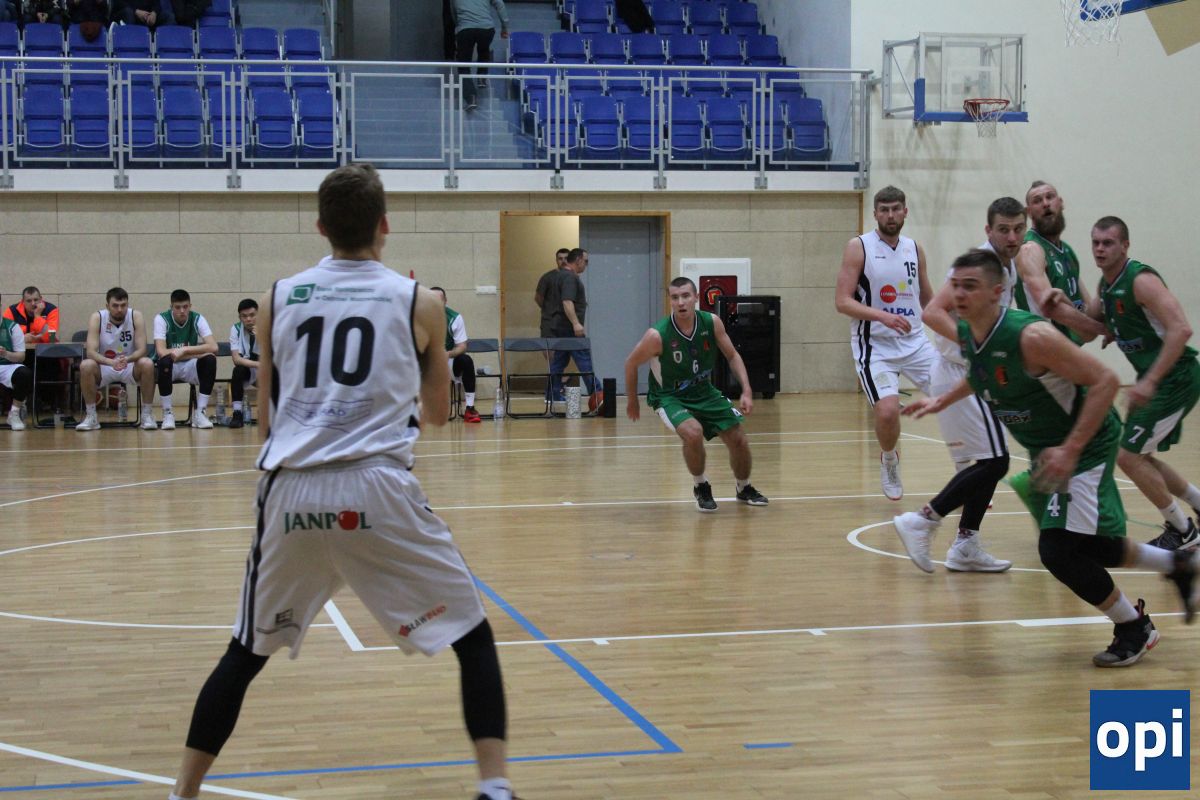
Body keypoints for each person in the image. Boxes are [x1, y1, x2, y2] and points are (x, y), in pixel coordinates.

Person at [167, 164, 515, 800]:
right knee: (472, 635)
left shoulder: (278, 297)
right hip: (377, 486)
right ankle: (494, 787)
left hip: (292, 488)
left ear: (321, 227)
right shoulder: (420, 301)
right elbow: (439, 414)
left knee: (245, 652)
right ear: (385, 225)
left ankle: (182, 792)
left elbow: (267, 419)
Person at [904, 248, 1199, 667]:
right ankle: (1180, 564)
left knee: (1058, 551)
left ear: (997, 292)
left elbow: (1105, 380)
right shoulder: (969, 332)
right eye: (955, 286)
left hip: (1084, 443)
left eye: (971, 286)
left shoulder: (1032, 337)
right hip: (1049, 450)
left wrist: (1071, 450)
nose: (960, 294)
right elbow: (982, 372)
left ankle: (1134, 626)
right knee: (1088, 545)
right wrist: (942, 400)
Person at [893, 197, 1029, 573]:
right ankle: (923, 519)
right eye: (1003, 229)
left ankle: (966, 544)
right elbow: (932, 312)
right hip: (960, 370)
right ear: (989, 230)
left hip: (973, 373)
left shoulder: (1008, 266)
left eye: (1018, 229)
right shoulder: (976, 267)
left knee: (989, 461)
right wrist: (973, 347)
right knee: (995, 461)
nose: (1011, 236)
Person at [1070, 217, 1200, 551]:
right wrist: (1058, 308)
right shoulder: (1106, 286)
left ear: (1125, 246)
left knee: (1128, 457)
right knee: (1140, 457)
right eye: (1095, 242)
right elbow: (1088, 326)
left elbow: (1182, 329)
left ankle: (1183, 532)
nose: (1100, 249)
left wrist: (1150, 380)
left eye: (1108, 243)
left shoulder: (1141, 280)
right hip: (1155, 381)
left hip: (1175, 379)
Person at [624, 276, 768, 512]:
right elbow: (631, 363)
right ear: (670, 300)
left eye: (685, 296)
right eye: (675, 297)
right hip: (670, 396)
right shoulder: (657, 335)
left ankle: (744, 487)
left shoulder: (711, 323)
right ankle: (701, 485)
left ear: (696, 298)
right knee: (693, 433)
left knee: (739, 439)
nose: (680, 302)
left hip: (704, 391)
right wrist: (632, 400)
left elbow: (732, 355)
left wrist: (747, 389)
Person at [834, 185, 934, 501]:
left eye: (896, 209)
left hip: (915, 342)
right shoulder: (859, 247)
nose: (890, 215)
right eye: (884, 210)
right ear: (875, 213)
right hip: (875, 346)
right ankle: (890, 459)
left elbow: (928, 299)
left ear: (905, 211)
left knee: (957, 399)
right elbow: (842, 301)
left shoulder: (914, 249)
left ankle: (971, 472)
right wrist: (883, 317)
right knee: (888, 412)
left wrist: (954, 332)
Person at [1014, 180, 1108, 345]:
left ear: (1061, 203)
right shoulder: (1030, 249)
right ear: (1029, 212)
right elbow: (1052, 308)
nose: (1045, 203)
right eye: (1037, 200)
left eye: (1050, 197)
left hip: (1065, 351)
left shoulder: (1067, 251)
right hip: (1041, 350)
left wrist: (1109, 285)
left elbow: (1087, 313)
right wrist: (1102, 329)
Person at [75, 287, 157, 432]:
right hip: (105, 364)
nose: (120, 309)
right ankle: (91, 416)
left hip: (129, 364)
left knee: (148, 363)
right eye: (115, 305)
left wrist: (128, 359)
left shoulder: (136, 316)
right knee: (86, 365)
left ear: (128, 304)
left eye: (123, 305)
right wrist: (110, 362)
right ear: (107, 306)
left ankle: (147, 415)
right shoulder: (97, 317)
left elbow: (142, 350)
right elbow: (91, 352)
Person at [153, 289, 219, 430]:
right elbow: (161, 351)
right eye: (177, 307)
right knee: (164, 361)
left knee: (210, 359)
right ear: (171, 307)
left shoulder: (197, 318)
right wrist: (196, 353)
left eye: (185, 307)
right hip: (169, 366)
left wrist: (185, 350)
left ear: (190, 306)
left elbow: (213, 346)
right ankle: (167, 413)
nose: (182, 311)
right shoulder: (161, 319)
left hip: (189, 366)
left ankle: (200, 412)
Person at [549, 247, 602, 410]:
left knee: (559, 362)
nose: (586, 264)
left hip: (560, 327)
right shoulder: (570, 278)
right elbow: (567, 301)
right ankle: (598, 394)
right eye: (585, 261)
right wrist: (576, 323)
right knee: (584, 362)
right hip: (570, 329)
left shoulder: (558, 276)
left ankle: (551, 393)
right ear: (578, 260)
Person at [4, 285, 67, 419]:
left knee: (54, 365)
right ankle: (19, 403)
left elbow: (49, 337)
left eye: (36, 300)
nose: (33, 304)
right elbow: (4, 336)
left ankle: (48, 402)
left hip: (45, 354)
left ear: (41, 299)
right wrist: (22, 338)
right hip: (20, 354)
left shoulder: (51, 310)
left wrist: (38, 316)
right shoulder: (11, 311)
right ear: (23, 302)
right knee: (20, 367)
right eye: (29, 301)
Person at [432, 286, 482, 422]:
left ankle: (470, 408)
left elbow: (462, 346)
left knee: (466, 360)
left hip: (446, 360)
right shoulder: (418, 317)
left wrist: (448, 354)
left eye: (439, 300)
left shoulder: (454, 318)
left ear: (445, 301)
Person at [451, 0, 509, 111]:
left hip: (465, 28)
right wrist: (504, 26)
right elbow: (499, 4)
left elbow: (454, 13)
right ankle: (482, 76)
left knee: (463, 65)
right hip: (486, 28)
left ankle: (471, 97)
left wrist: (458, 27)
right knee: (484, 49)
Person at [0, 295, 32, 431]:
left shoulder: (12, 327)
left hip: (7, 366)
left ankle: (14, 413)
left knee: (24, 373)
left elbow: (21, 357)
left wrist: (5, 354)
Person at [227, 298, 259, 429]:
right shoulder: (235, 329)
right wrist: (258, 365)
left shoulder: (268, 326)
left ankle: (274, 411)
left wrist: (262, 338)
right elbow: (236, 359)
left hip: (266, 369)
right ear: (240, 317)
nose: (248, 319)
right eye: (244, 316)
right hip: (250, 367)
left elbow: (275, 356)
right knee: (238, 370)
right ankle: (237, 413)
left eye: (252, 315)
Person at [534, 247, 570, 337]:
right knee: (549, 345)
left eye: (566, 258)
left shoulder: (573, 277)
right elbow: (538, 297)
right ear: (556, 260)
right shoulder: (547, 277)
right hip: (549, 322)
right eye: (560, 259)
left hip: (567, 322)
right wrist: (548, 308)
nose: (563, 261)